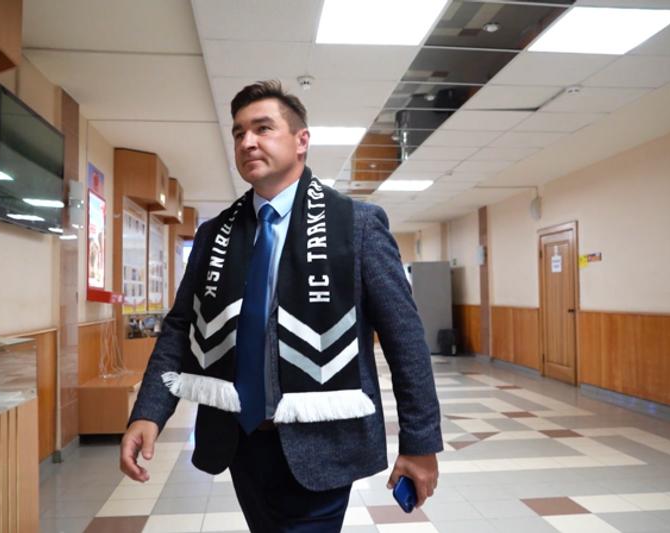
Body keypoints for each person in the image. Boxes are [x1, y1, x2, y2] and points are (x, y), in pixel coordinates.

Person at [120, 80, 442, 532]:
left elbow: (404, 338)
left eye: (263, 128)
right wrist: (149, 412)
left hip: (323, 442)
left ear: (301, 140)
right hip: (239, 440)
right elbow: (180, 328)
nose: (247, 141)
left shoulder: (357, 227)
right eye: (238, 133)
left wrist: (420, 442)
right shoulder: (215, 235)